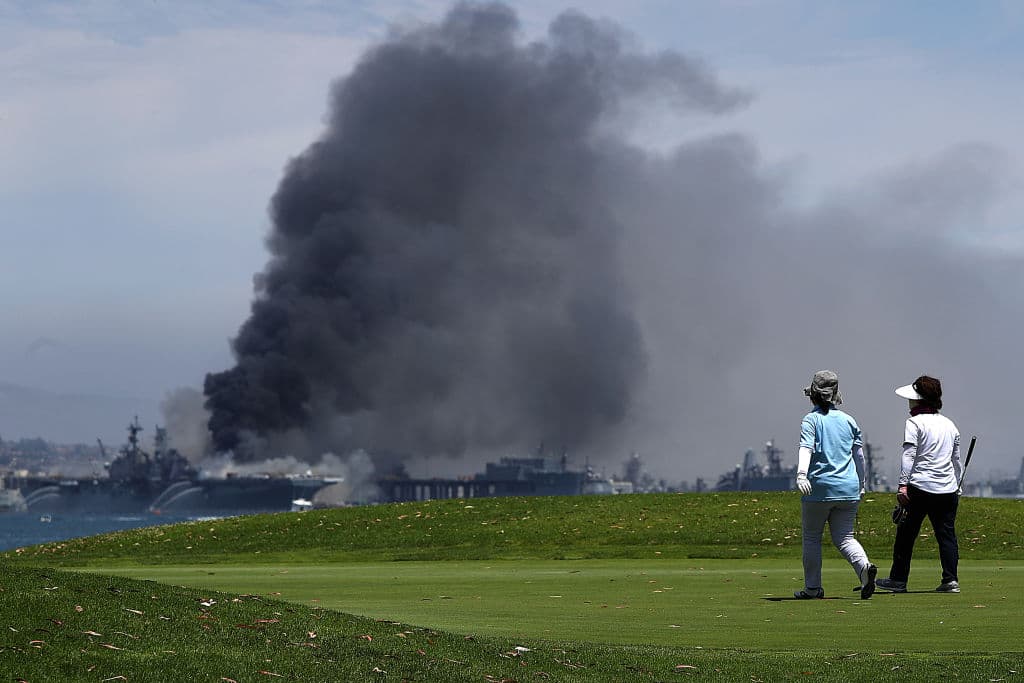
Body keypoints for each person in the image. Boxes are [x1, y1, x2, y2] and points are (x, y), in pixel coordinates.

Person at [793, 370, 877, 600]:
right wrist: (862, 483)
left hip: (819, 488)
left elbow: (805, 448)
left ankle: (812, 588)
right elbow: (859, 457)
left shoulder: (811, 419)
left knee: (812, 538)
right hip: (848, 489)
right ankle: (864, 568)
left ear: (813, 394)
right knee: (845, 537)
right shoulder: (849, 420)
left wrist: (802, 474)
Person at [876, 376, 962, 593]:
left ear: (919, 400)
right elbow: (956, 460)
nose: (909, 402)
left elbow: (909, 455)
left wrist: (902, 485)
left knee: (906, 535)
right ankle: (951, 580)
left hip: (919, 487)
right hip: (947, 489)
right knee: (947, 536)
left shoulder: (913, 423)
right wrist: (958, 484)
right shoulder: (950, 424)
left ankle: (898, 579)